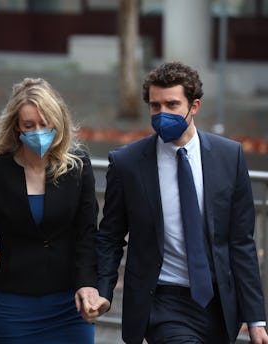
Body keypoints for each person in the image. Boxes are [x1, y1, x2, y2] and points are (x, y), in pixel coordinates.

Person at [92, 61, 268, 343]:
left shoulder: (229, 157)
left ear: (194, 106)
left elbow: (241, 242)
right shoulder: (128, 164)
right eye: (155, 106)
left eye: (172, 105)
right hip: (162, 302)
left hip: (218, 305)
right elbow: (111, 235)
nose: (162, 114)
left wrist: (256, 319)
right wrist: (102, 290)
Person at [0, 77, 100, 343]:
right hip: (15, 302)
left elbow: (87, 232)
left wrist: (88, 284)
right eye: (29, 125)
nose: (38, 131)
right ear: (16, 127)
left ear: (57, 123)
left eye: (44, 124)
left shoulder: (77, 167)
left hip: (69, 301)